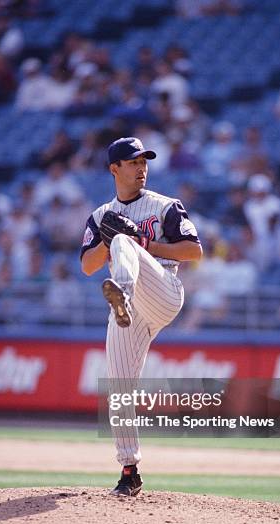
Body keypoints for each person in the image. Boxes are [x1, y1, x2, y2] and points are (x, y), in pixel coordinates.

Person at [80, 137, 202, 496]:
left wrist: (142, 243)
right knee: (119, 387)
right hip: (127, 315)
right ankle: (129, 469)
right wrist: (108, 239)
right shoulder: (100, 215)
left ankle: (124, 295)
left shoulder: (164, 206)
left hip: (162, 289)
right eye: (133, 162)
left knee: (124, 244)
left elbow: (194, 251)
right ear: (114, 169)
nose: (141, 167)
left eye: (144, 161)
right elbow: (88, 266)